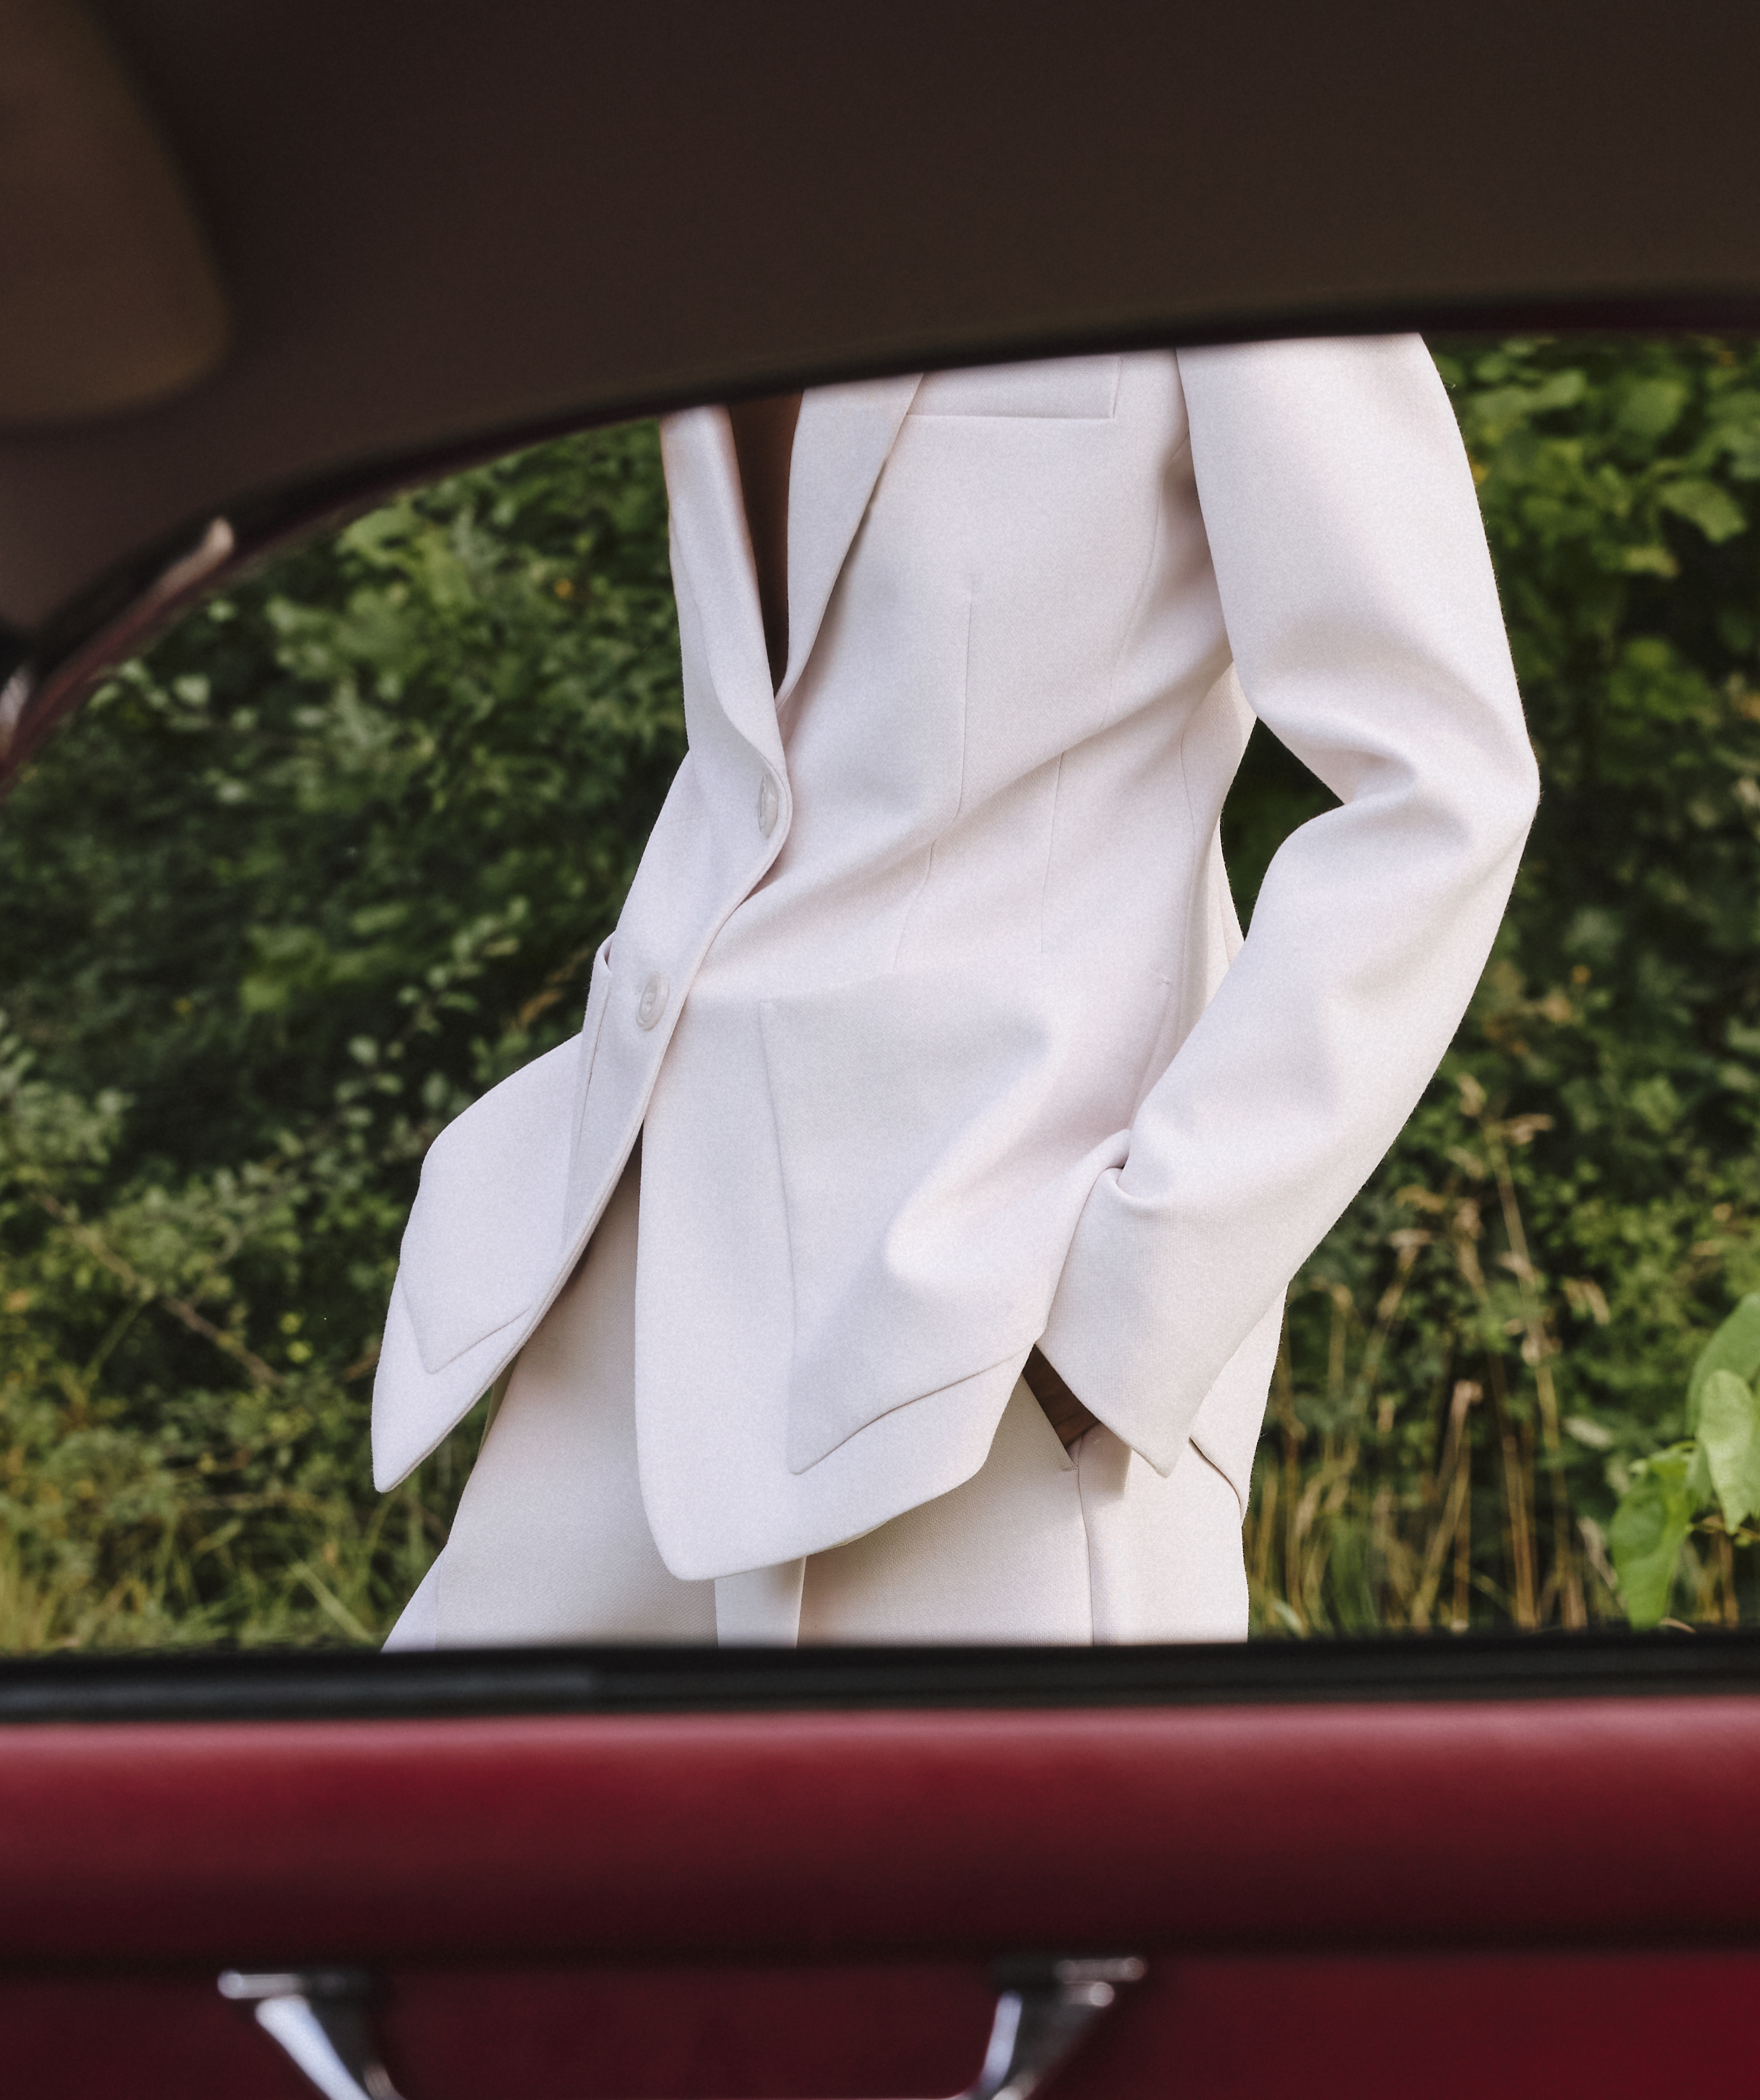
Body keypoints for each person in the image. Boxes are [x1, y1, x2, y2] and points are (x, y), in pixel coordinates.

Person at [375, 337, 1537, 1644]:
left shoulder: (1220, 212)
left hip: (985, 1333)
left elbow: (1442, 784)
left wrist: (1132, 1299)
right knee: (412, 1782)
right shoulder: (699, 224)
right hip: (637, 1279)